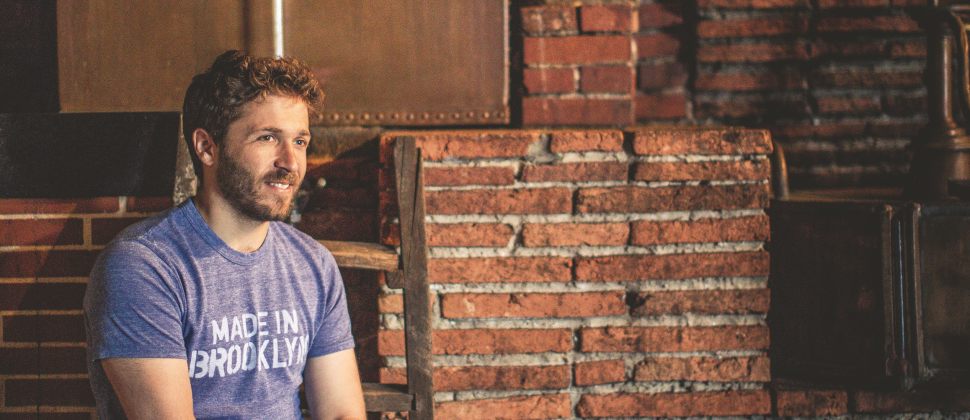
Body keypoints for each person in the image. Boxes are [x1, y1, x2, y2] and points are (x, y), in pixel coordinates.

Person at [83, 50, 366, 419]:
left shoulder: (313, 264)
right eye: (267, 138)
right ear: (207, 147)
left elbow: (342, 411)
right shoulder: (144, 266)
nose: (290, 162)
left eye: (299, 141)